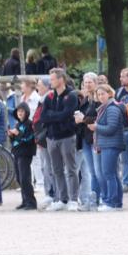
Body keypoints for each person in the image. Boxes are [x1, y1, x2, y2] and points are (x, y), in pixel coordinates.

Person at [40, 68, 79, 211]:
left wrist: (53, 116)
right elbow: (43, 117)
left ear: (61, 79)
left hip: (67, 136)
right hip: (52, 138)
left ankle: (74, 199)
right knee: (56, 169)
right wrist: (56, 116)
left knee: (71, 168)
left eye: (53, 79)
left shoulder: (72, 96)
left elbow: (66, 115)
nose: (50, 82)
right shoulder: (49, 97)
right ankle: (62, 198)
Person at [90, 84, 125, 211]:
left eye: (103, 94)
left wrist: (96, 127)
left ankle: (111, 202)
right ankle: (117, 202)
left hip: (111, 144)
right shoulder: (104, 108)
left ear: (110, 93)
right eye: (98, 94)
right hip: (107, 144)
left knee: (108, 174)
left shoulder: (111, 108)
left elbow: (111, 128)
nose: (100, 96)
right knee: (112, 174)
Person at [74, 72, 99, 210]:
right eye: (85, 82)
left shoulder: (98, 99)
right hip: (84, 137)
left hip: (95, 138)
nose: (87, 84)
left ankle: (97, 200)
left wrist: (83, 119)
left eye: (90, 82)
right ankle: (92, 200)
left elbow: (97, 117)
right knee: (90, 171)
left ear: (95, 83)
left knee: (96, 171)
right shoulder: (85, 100)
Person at [9, 102, 37, 210]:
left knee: (25, 178)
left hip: (25, 153)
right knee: (19, 178)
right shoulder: (17, 124)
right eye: (18, 111)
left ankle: (31, 202)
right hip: (17, 152)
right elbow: (15, 140)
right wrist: (11, 136)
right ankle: (25, 200)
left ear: (26, 112)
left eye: (22, 111)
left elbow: (29, 139)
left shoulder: (29, 124)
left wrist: (18, 134)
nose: (20, 113)